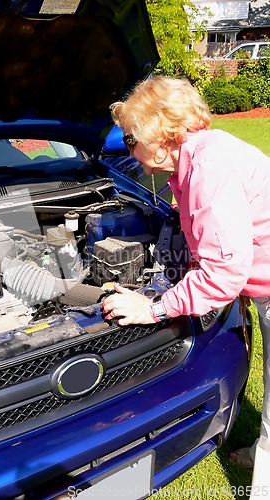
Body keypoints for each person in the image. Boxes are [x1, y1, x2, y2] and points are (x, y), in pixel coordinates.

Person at [101, 75, 270, 498]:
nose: (130, 151)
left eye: (131, 140)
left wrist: (153, 308)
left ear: (163, 133)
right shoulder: (191, 161)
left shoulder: (209, 171)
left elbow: (223, 272)